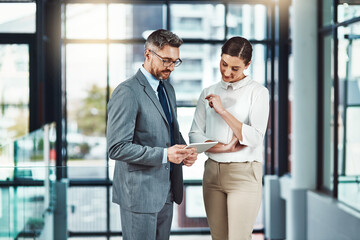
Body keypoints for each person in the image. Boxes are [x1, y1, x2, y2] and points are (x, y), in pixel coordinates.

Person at [107, 29, 198, 240]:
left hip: (166, 193)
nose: (171, 67)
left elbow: (170, 132)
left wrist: (185, 151)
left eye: (176, 61)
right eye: (166, 60)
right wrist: (165, 155)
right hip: (138, 196)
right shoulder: (127, 92)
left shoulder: (168, 90)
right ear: (148, 54)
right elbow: (117, 148)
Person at [189, 36, 269, 240]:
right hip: (212, 174)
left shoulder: (258, 93)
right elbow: (195, 135)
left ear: (247, 65)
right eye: (224, 64)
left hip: (244, 174)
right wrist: (224, 148)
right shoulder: (208, 92)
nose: (227, 72)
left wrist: (223, 111)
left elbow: (255, 138)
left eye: (235, 68)